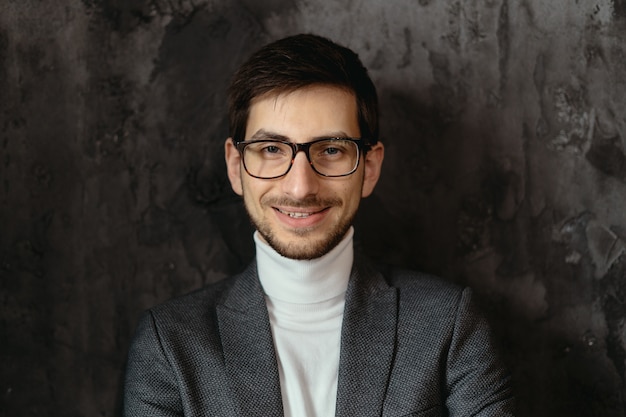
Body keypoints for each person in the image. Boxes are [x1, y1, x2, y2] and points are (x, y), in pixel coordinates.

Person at [123, 34, 515, 417]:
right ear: (235, 166)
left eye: (330, 150)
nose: (300, 187)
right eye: (272, 150)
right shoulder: (169, 343)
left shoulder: (449, 323)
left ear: (371, 167)